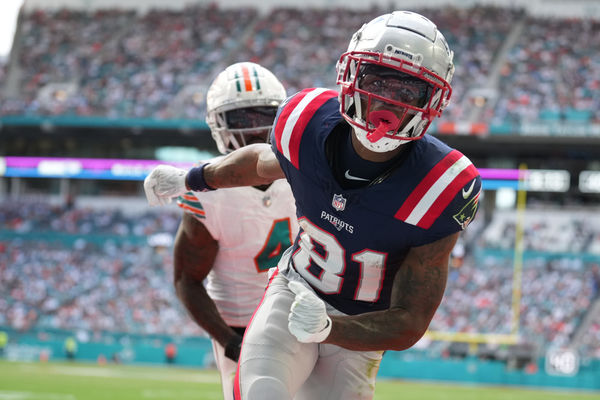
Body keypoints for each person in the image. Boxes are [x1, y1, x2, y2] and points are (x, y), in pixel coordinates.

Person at [144, 11, 482, 400]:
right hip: (295, 288)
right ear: (351, 77)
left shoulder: (442, 185)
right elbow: (258, 163)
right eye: (376, 82)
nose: (385, 103)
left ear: (432, 99)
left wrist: (329, 328)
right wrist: (193, 178)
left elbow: (410, 320)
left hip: (362, 327)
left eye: (407, 92)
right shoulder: (306, 122)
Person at [146, 62, 298, 400]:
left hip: (301, 316)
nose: (256, 129)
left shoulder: (304, 172)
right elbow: (187, 279)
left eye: (263, 115)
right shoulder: (208, 198)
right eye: (242, 119)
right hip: (239, 321)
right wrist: (230, 341)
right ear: (221, 126)